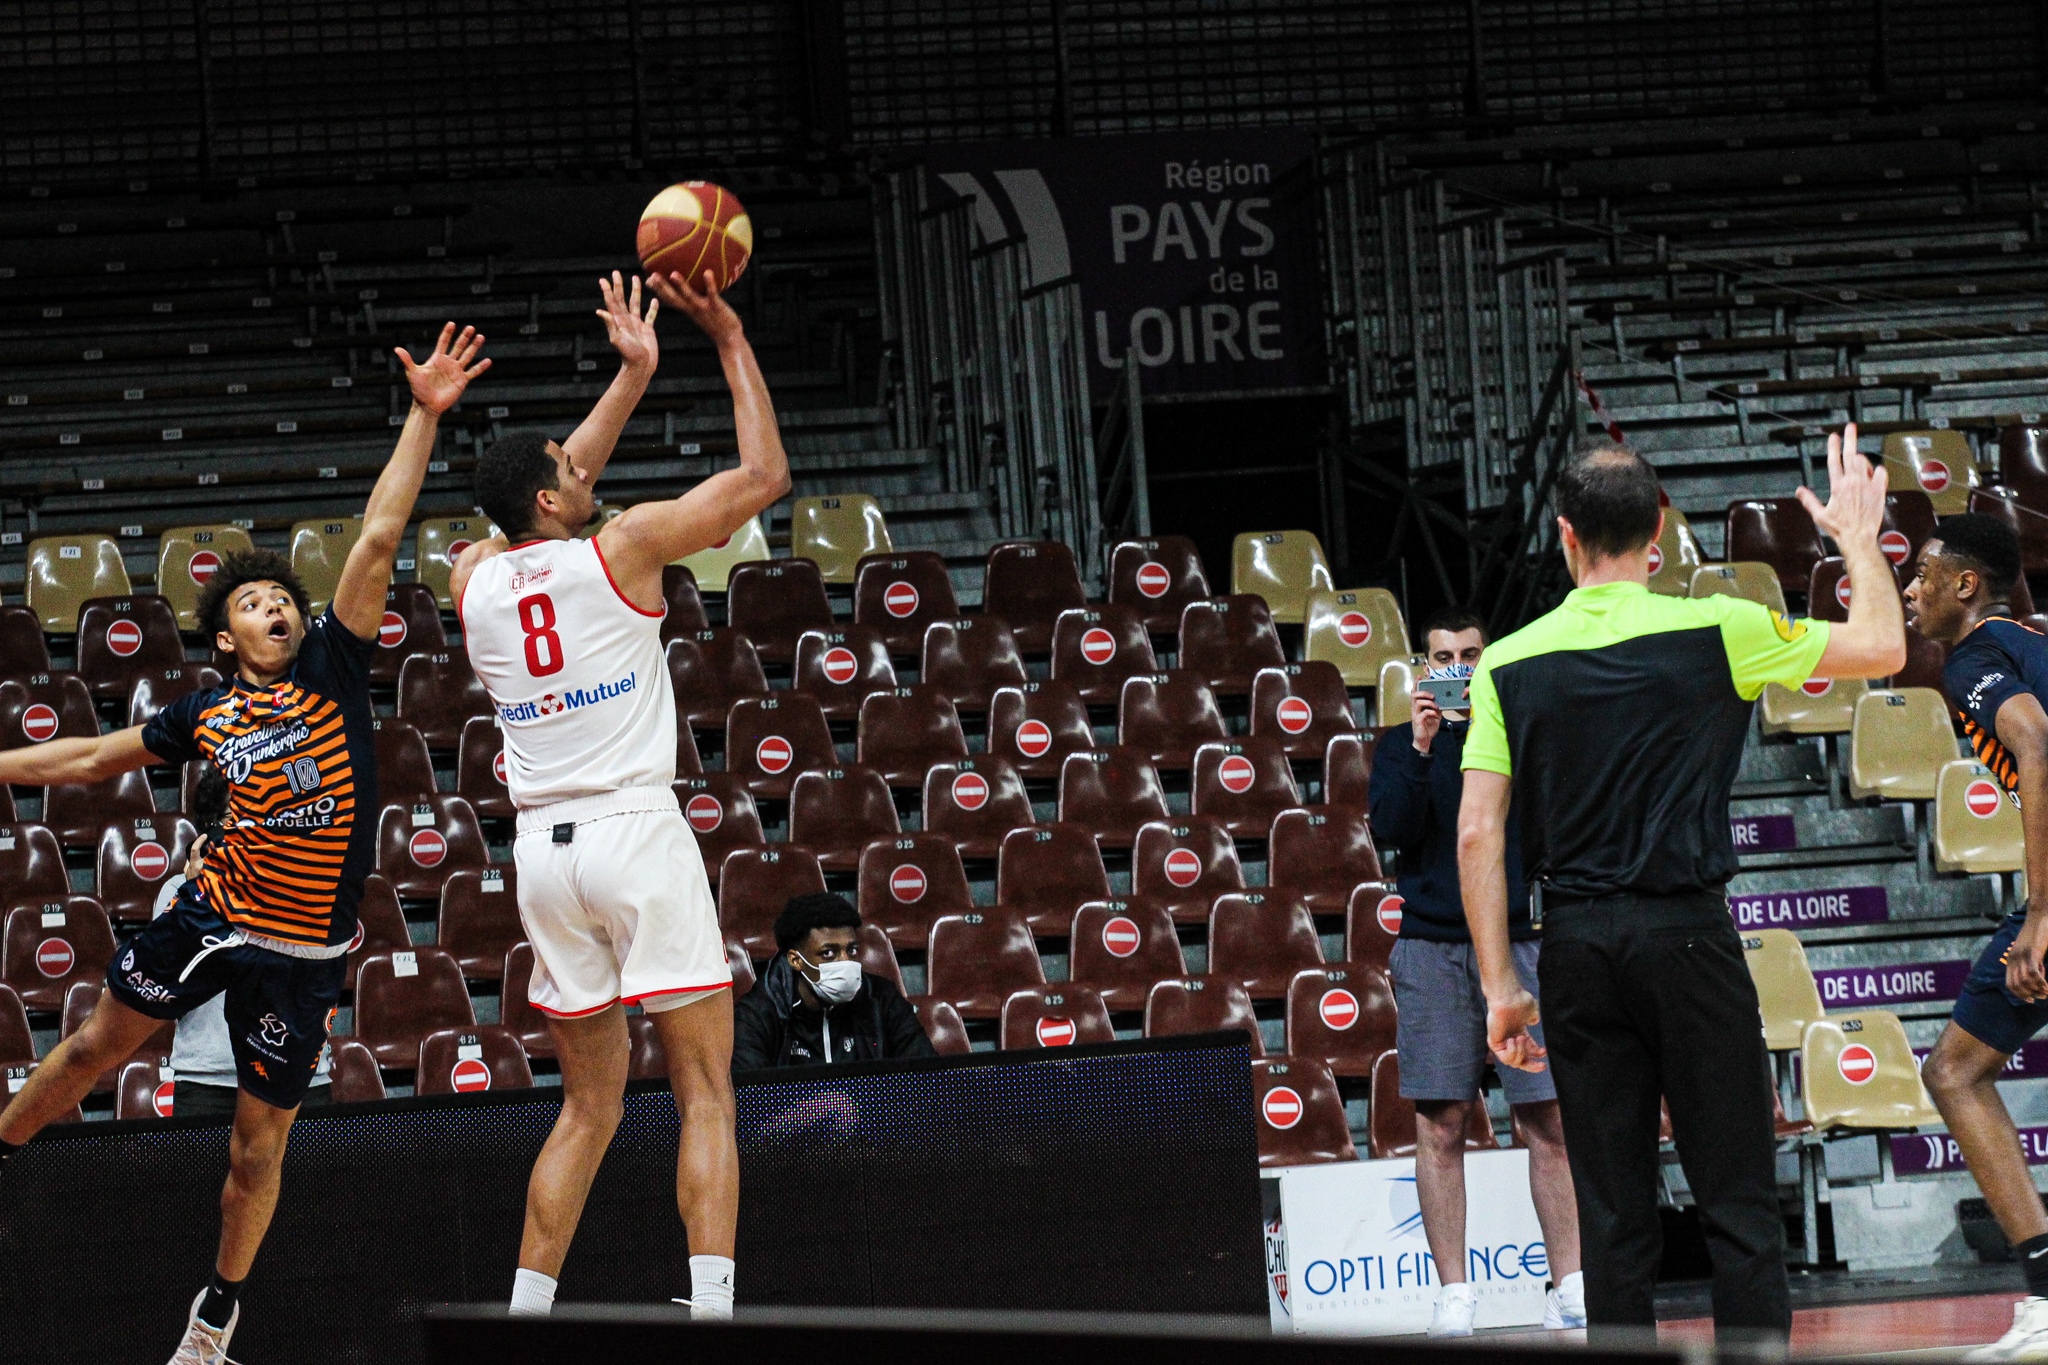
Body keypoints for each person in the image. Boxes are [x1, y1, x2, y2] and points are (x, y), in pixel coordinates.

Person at [0, 321, 489, 1365]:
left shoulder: (331, 673)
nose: (276, 608)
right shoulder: (204, 712)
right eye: (255, 603)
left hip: (309, 952)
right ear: (225, 635)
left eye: (283, 602)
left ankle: (216, 1313)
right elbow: (85, 759)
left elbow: (372, 538)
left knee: (255, 1153)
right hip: (216, 916)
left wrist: (424, 414)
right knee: (90, 1048)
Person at [1456, 426, 1905, 1342]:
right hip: (1690, 939)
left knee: (1614, 1222)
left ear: (1565, 534)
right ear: (1658, 530)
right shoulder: (1722, 625)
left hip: (1577, 947)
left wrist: (1503, 985)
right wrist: (1857, 537)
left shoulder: (1504, 662)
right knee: (1738, 1206)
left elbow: (1476, 831)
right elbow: (1884, 647)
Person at [451, 269, 789, 1323]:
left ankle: (525, 1315)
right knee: (703, 1092)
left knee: (587, 1107)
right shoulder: (628, 546)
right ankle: (713, 1311)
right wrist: (723, 335)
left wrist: (630, 374)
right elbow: (765, 474)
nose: (579, 461)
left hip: (542, 860)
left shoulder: (468, 573)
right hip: (636, 832)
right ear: (554, 497)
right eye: (566, 465)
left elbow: (546, 495)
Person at [1367, 606, 1583, 1336]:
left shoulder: (1519, 737)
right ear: (1424, 668)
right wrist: (1426, 746)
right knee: (1441, 1124)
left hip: (1521, 942)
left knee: (1546, 1116)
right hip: (1430, 949)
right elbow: (1392, 829)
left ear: (1489, 660)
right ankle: (1455, 1293)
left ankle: (1571, 1283)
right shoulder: (1400, 745)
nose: (1459, 665)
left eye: (1471, 653)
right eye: (1444, 656)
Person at [1907, 515, 2048, 1360]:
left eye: (1924, 572)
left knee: (1955, 1070)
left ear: (1967, 586)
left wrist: (2041, 912)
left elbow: (2036, 743)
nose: (1910, 587)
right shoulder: (2029, 643)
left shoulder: (1973, 659)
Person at [151, 771, 333, 1119]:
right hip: (208, 1082)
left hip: (298, 1078)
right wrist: (196, 896)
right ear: (211, 830)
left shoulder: (307, 883)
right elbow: (168, 985)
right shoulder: (177, 891)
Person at [732, 894, 937, 1071]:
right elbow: (752, 1102)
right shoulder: (758, 1014)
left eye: (851, 950)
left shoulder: (881, 999)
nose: (845, 962)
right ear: (796, 960)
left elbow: (926, 1078)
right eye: (828, 953)